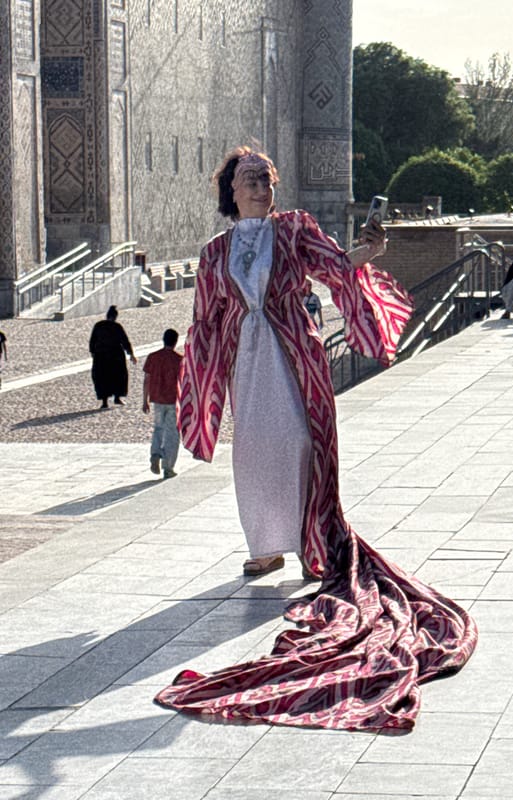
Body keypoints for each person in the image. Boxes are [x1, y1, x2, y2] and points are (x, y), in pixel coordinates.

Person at [154, 146, 477, 732]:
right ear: (230, 191)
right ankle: (266, 543)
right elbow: (204, 320)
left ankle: (312, 541)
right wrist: (200, 385)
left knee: (305, 446)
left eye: (267, 179)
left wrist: (369, 253)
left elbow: (335, 268)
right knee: (255, 452)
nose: (261, 187)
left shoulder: (295, 230)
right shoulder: (215, 253)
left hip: (295, 353)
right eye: (251, 180)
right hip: (246, 361)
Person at [143, 328, 182, 479]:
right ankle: (168, 467)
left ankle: (155, 454)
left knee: (158, 428)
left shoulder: (153, 357)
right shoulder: (179, 360)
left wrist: (144, 400)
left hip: (157, 399)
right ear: (175, 341)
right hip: (173, 400)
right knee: (172, 433)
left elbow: (147, 379)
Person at [89, 305, 137, 409]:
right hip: (116, 356)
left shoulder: (98, 325)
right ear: (115, 317)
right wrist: (131, 354)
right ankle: (117, 397)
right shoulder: (117, 327)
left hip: (101, 356)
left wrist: (93, 352)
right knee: (118, 377)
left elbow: (92, 341)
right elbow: (124, 341)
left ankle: (104, 401)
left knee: (102, 378)